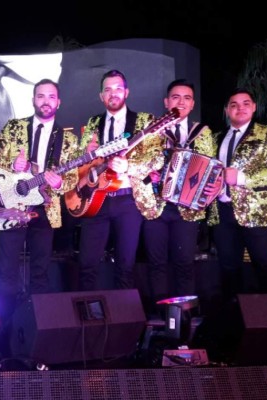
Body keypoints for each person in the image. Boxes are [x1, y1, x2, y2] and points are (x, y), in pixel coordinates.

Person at [0, 79, 79, 319]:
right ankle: (5, 322)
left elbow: (72, 178)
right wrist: (11, 164)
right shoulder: (14, 127)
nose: (45, 101)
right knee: (7, 268)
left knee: (41, 270)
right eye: (41, 96)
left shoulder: (68, 139)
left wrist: (59, 183)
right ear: (33, 100)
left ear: (58, 102)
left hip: (45, 208)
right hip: (12, 205)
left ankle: (38, 323)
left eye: (51, 96)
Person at [139, 79, 217, 315]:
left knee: (184, 263)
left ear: (192, 104)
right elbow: (137, 162)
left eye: (186, 98)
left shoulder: (201, 133)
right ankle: (161, 316)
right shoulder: (152, 129)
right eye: (175, 97)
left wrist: (210, 187)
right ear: (166, 102)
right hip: (156, 206)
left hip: (187, 208)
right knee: (156, 264)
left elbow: (210, 167)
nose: (181, 102)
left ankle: (185, 317)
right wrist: (149, 173)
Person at [208, 88, 267, 304]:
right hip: (223, 212)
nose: (240, 108)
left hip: (258, 213)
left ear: (254, 107)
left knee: (265, 267)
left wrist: (242, 178)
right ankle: (233, 317)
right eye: (234, 105)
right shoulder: (215, 138)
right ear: (227, 110)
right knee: (228, 270)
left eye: (246, 103)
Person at [77, 69, 155, 291]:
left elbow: (155, 159)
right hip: (96, 201)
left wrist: (128, 167)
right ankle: (88, 310)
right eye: (108, 89)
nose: (114, 93)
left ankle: (125, 312)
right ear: (101, 96)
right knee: (87, 264)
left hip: (127, 200)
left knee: (125, 266)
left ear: (126, 92)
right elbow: (80, 164)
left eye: (118, 88)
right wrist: (86, 153)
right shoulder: (93, 122)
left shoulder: (144, 121)